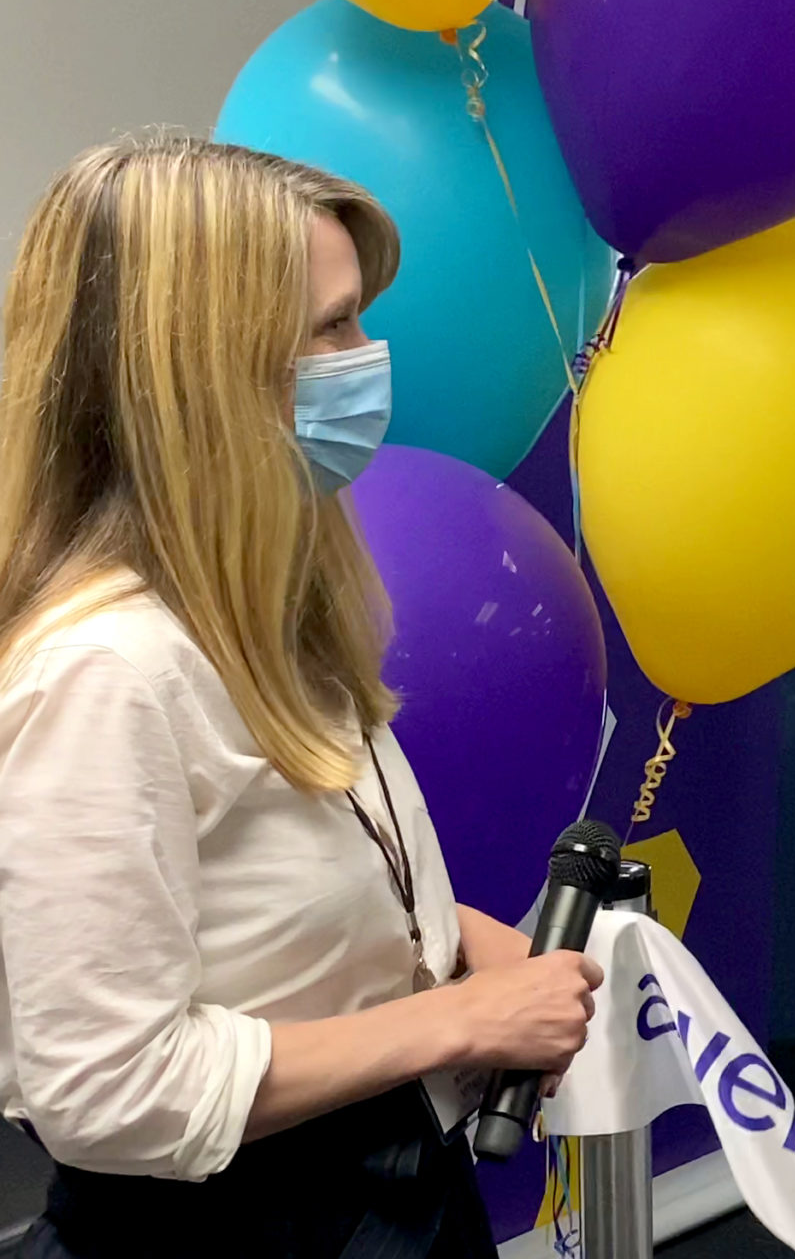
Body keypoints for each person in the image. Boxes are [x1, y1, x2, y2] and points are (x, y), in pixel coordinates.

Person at [0, 137, 603, 1258]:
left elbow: (288, 912)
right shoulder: (105, 674)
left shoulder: (260, 600)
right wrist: (454, 1021)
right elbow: (108, 1091)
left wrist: (460, 947)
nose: (366, 359)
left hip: (390, 1186)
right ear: (199, 374)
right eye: (332, 327)